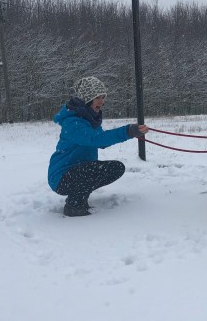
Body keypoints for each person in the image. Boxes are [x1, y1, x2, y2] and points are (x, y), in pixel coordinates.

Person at [47, 76, 148, 217]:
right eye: (97, 97)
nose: (102, 101)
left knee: (115, 168)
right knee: (90, 171)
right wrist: (127, 131)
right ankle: (74, 206)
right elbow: (97, 139)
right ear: (87, 99)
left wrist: (132, 132)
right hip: (61, 177)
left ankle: (80, 196)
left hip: (79, 170)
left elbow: (103, 142)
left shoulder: (89, 119)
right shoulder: (72, 123)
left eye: (103, 97)